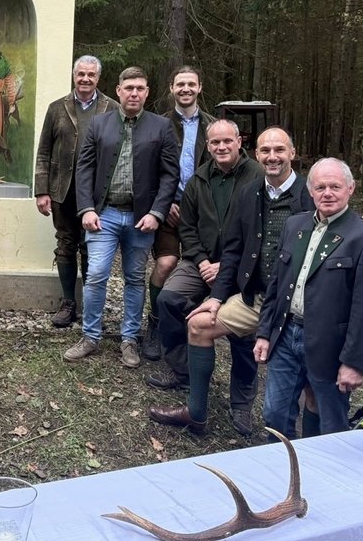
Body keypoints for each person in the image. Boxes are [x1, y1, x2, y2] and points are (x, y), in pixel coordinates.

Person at [143, 123, 267, 436]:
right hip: (201, 263)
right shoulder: (198, 179)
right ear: (208, 146)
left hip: (242, 268)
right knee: (169, 298)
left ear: (239, 141)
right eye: (215, 142)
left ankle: (241, 402)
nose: (221, 147)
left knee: (243, 332)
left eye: (227, 141)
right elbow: (187, 228)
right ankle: (183, 369)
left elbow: (261, 232)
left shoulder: (257, 177)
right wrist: (201, 262)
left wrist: (225, 266)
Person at [255, 157, 363, 437]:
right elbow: (277, 286)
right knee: (274, 414)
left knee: (330, 424)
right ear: (310, 191)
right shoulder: (294, 225)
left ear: (350, 189)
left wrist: (354, 362)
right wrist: (264, 333)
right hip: (286, 335)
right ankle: (281, 461)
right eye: (320, 187)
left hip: (332, 345)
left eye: (335, 187)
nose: (327, 193)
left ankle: (319, 463)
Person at [64, 67, 179, 369]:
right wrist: (86, 208)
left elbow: (170, 174)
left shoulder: (161, 126)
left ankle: (129, 339)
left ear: (147, 92)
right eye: (129, 88)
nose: (134, 93)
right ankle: (90, 336)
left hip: (142, 219)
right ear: (118, 91)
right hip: (105, 215)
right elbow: (84, 169)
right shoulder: (99, 124)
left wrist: (157, 213)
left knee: (135, 278)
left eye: (140, 88)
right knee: (96, 274)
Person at [34, 55, 119, 327]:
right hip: (63, 190)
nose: (85, 79)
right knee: (66, 244)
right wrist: (41, 190)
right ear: (74, 76)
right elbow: (44, 151)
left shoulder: (112, 108)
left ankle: (92, 307)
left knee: (92, 247)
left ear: (98, 78)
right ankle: (68, 303)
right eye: (81, 74)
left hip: (97, 193)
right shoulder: (57, 108)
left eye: (91, 74)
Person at [144, 66, 216, 361]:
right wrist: (163, 205)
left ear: (200, 88)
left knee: (201, 268)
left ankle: (192, 325)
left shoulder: (214, 127)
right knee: (166, 263)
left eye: (191, 84)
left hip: (203, 212)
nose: (186, 89)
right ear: (171, 88)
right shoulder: (158, 125)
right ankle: (155, 323)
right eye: (180, 84)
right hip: (168, 208)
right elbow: (147, 170)